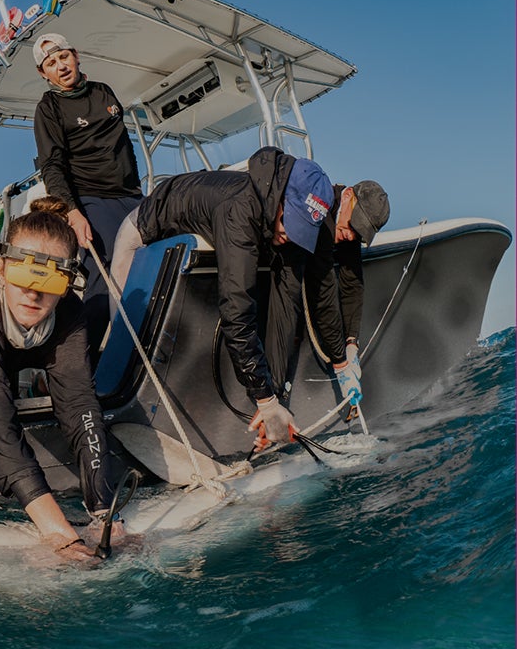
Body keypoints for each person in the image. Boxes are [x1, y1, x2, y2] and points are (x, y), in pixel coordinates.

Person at [108, 146, 361, 451]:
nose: (289, 235)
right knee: (122, 344)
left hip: (198, 232)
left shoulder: (289, 226)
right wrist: (264, 400)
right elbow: (237, 312)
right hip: (143, 232)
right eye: (289, 224)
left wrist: (275, 396)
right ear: (280, 199)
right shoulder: (240, 209)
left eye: (301, 230)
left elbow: (286, 309)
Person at [0, 197, 124, 563]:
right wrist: (59, 534)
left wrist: (103, 511)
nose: (33, 292)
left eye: (50, 279)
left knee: (61, 394)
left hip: (19, 348)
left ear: (66, 283)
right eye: (24, 274)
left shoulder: (69, 313)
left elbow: (80, 406)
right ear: (2, 269)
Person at [31, 32, 144, 351]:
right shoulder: (49, 107)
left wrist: (138, 188)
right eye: (50, 63)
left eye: (63, 57)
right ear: (44, 74)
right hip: (91, 199)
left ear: (76, 55)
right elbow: (51, 165)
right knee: (105, 276)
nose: (60, 66)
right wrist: (73, 212)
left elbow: (124, 145)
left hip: (131, 195)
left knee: (150, 263)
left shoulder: (103, 92)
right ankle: (88, 366)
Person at [265, 180, 391, 410]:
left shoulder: (347, 229)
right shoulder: (321, 213)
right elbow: (324, 297)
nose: (352, 236)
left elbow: (352, 283)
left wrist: (352, 342)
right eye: (355, 225)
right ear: (347, 196)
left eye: (360, 232)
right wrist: (341, 364)